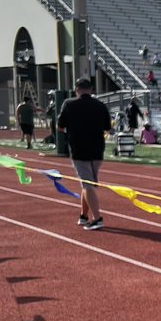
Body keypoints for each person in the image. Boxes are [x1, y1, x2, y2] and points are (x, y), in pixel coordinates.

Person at [56, 75, 112, 230]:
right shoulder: (100, 105)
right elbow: (108, 127)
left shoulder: (69, 104)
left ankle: (97, 218)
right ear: (91, 89)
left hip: (79, 149)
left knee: (87, 184)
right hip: (97, 149)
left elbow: (60, 127)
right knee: (88, 184)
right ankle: (83, 216)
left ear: (76, 90)